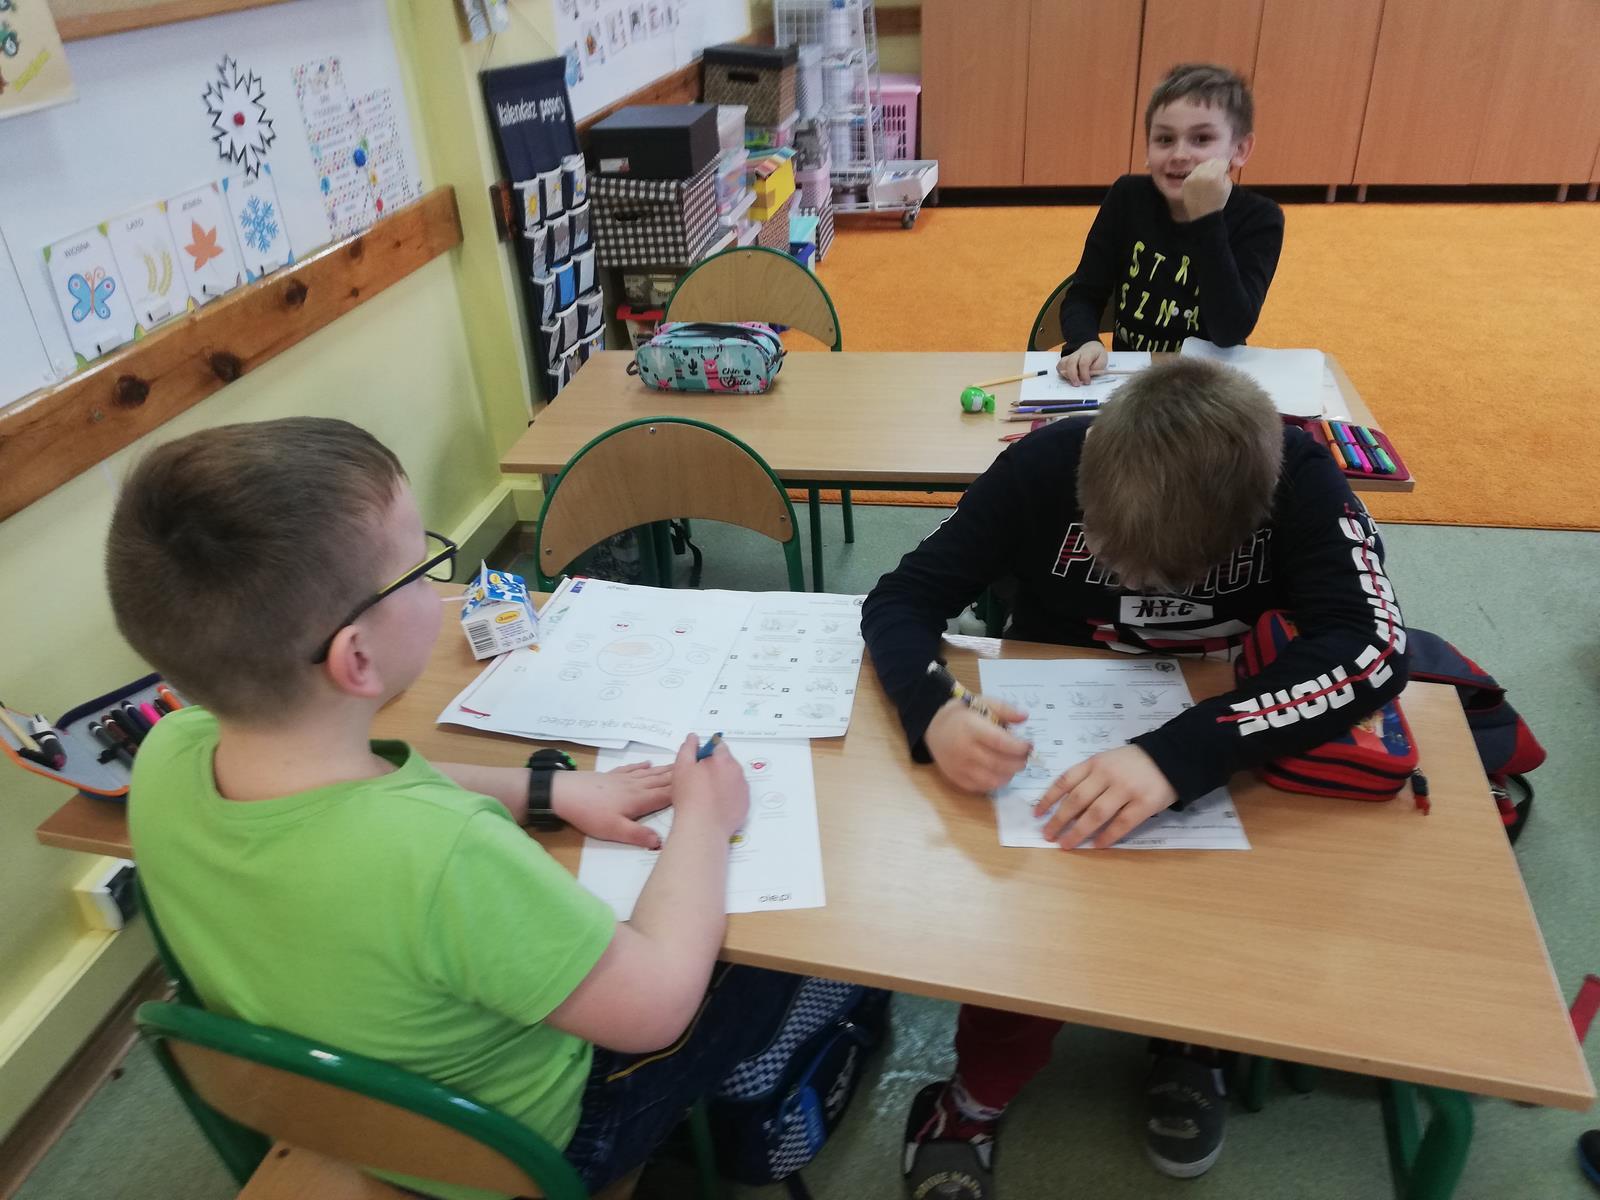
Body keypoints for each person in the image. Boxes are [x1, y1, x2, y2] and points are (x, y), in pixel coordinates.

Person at [107, 417, 799, 1197]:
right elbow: (658, 1006)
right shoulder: (446, 853)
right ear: (356, 657)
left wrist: (547, 789)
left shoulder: (169, 751)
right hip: (532, 1145)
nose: (446, 588)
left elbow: (376, 779)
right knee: (768, 958)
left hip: (339, 1106)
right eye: (423, 570)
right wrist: (704, 819)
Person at [862, 360, 1408, 1197]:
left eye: (1159, 575)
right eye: (1115, 558)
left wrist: (1174, 757)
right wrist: (932, 708)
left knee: (1222, 907)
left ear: (1250, 517)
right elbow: (900, 600)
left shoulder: (1299, 478)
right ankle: (978, 1092)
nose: (1134, 587)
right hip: (1058, 736)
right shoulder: (1043, 463)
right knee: (1034, 917)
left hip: (1222, 736)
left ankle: (1191, 1038)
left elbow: (1373, 646)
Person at [1057, 62, 1284, 383]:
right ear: (1147, 149)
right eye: (1164, 139)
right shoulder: (1127, 197)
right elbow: (1084, 294)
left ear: (1240, 149)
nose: (1179, 154)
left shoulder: (1260, 218)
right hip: (1132, 381)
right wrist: (1084, 341)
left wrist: (1206, 218)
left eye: (1201, 138)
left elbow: (1229, 330)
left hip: (1206, 383)